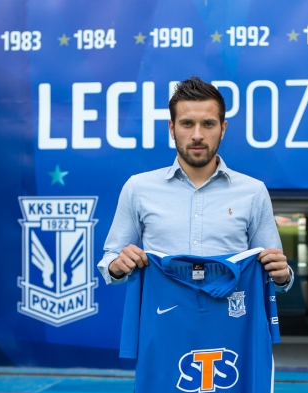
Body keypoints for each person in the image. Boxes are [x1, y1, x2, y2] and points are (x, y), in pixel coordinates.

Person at [97, 76, 293, 289]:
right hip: (163, 310)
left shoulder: (254, 192)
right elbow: (111, 260)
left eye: (208, 124)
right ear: (172, 128)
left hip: (230, 311)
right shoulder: (137, 188)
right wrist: (117, 266)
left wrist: (283, 276)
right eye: (187, 123)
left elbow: (272, 271)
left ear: (223, 129)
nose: (197, 135)